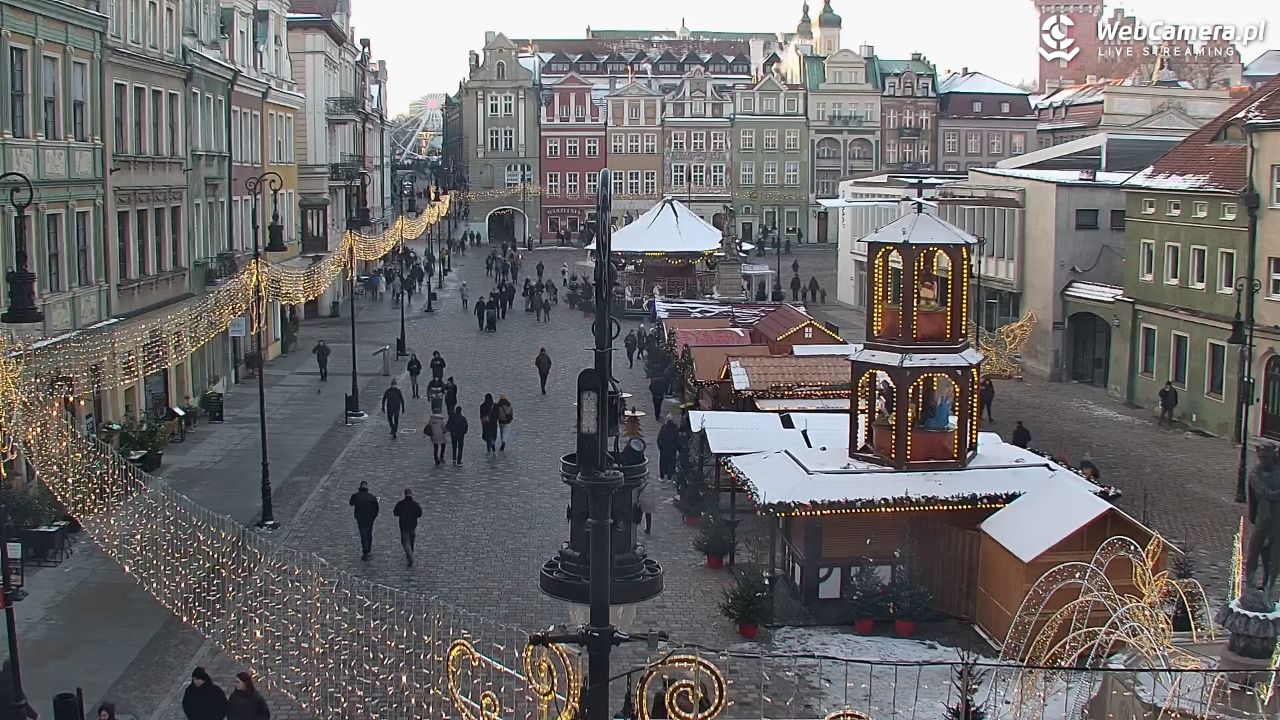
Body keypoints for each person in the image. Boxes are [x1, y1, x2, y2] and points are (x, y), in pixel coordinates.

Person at [393, 489, 423, 567]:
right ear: (411, 494)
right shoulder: (415, 504)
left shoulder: (401, 504)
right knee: (411, 540)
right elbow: (420, 514)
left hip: (404, 526)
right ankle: (411, 553)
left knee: (405, 543)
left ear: (405, 494)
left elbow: (395, 513)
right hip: (412, 526)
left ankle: (410, 558)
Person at [349, 481, 379, 560]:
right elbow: (376, 508)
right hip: (369, 519)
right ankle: (368, 550)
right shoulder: (372, 497)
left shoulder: (356, 496)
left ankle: (365, 551)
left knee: (363, 535)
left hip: (360, 518)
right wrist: (373, 517)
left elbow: (351, 503)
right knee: (369, 534)